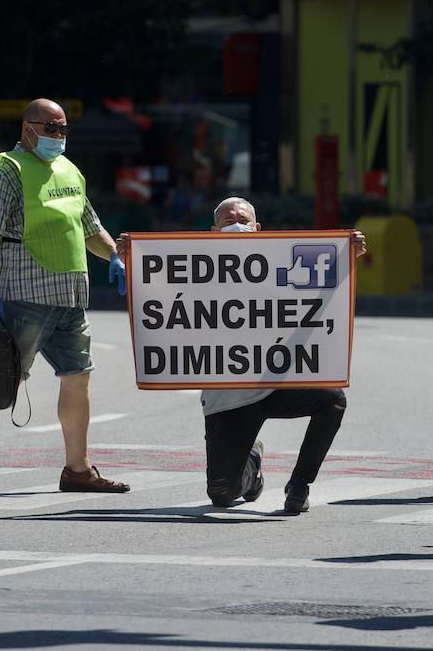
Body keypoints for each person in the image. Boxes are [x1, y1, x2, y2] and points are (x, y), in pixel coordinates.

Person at [0, 99, 130, 496]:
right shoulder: (6, 170)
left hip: (70, 295)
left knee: (78, 376)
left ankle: (77, 468)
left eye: (62, 129)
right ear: (27, 128)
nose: (57, 136)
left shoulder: (68, 170)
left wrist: (114, 256)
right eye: (49, 128)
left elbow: (90, 227)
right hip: (24, 293)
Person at [117, 197, 366, 512]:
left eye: (243, 220)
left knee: (333, 399)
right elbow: (162, 298)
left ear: (257, 227)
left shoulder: (280, 263)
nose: (237, 224)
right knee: (222, 494)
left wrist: (347, 257)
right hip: (228, 396)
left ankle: (300, 484)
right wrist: (132, 257)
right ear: (213, 230)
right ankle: (252, 461)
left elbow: (319, 295)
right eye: (228, 220)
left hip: (276, 382)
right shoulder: (194, 266)